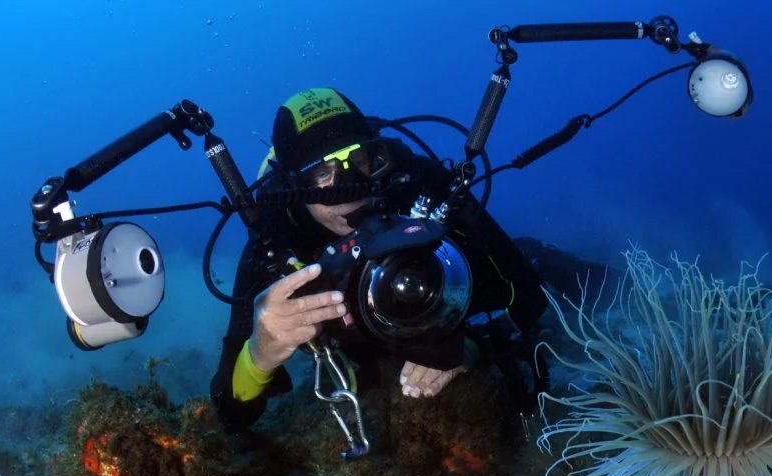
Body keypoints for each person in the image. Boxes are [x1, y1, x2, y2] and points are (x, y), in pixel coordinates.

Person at [210, 88, 546, 432]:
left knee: (547, 263)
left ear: (380, 156)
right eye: (321, 174)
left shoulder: (414, 185)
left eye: (361, 160)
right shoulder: (276, 243)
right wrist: (259, 356)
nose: (350, 189)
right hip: (363, 359)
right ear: (293, 186)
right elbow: (231, 414)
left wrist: (468, 346)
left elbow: (527, 294)